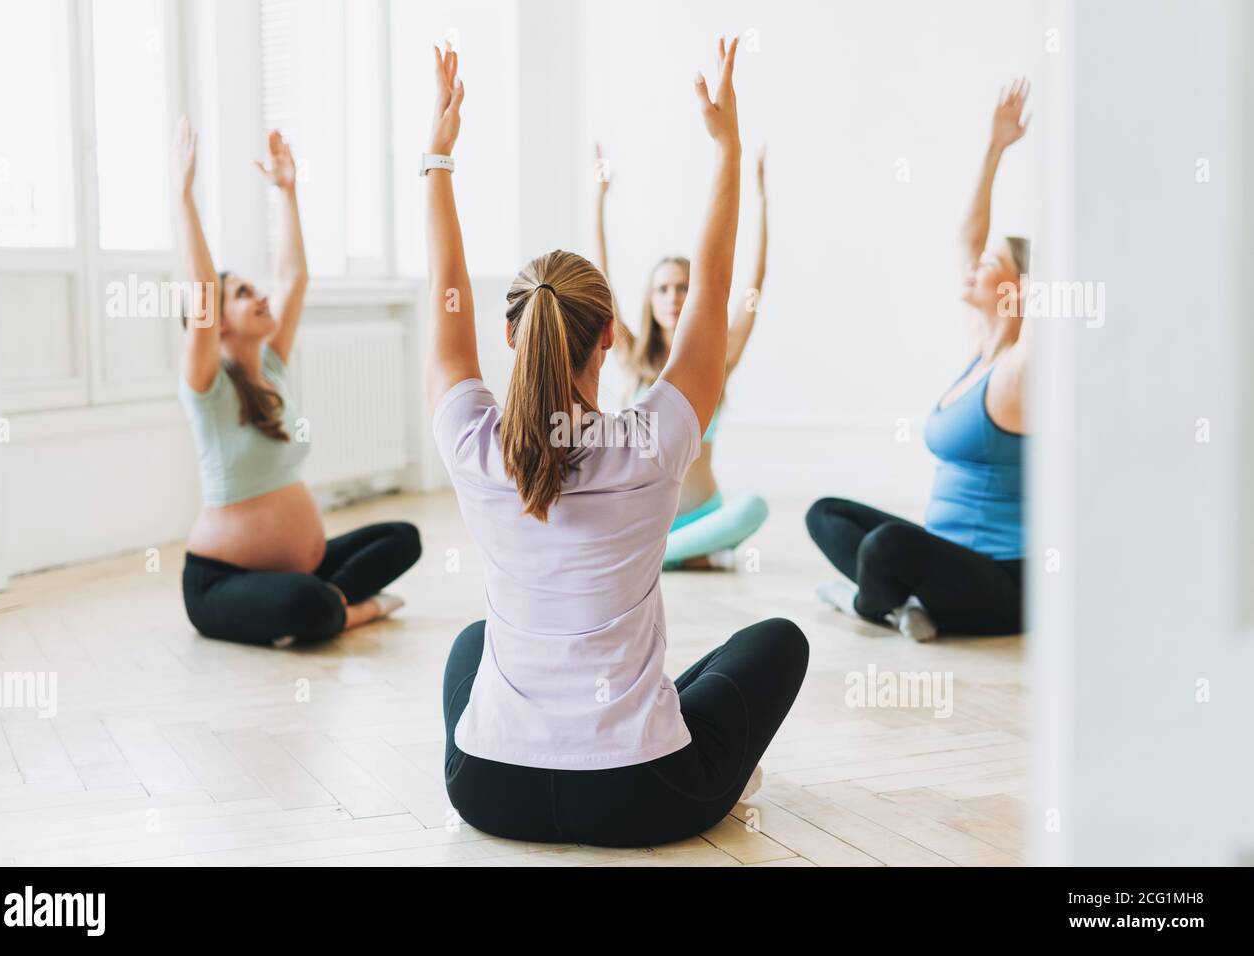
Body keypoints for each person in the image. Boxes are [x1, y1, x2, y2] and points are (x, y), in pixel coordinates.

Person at [425, 40, 808, 846]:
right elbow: (711, 289)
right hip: (640, 798)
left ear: (512, 333)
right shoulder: (656, 438)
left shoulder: (471, 442)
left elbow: (444, 308)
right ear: (609, 341)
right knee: (777, 642)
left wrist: (440, 158)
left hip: (489, 790)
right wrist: (728, 149)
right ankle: (709, 766)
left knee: (471, 644)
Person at [171, 119, 420, 648]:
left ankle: (326, 605)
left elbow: (293, 279)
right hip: (220, 583)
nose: (259, 296)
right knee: (301, 603)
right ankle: (348, 610)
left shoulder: (272, 368)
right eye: (240, 294)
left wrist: (287, 193)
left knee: (404, 538)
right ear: (216, 322)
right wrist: (184, 198)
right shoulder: (207, 388)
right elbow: (201, 296)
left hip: (304, 568)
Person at [806, 79, 1033, 642]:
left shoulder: (1024, 372)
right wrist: (995, 148)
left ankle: (872, 604)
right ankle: (902, 605)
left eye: (992, 262)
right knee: (825, 514)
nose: (974, 265)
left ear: (1025, 287)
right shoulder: (980, 353)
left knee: (887, 546)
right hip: (944, 558)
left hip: (1004, 587)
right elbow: (967, 236)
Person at [593, 141, 770, 569]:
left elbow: (752, 288)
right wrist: (599, 199)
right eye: (663, 288)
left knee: (753, 509)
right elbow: (603, 281)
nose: (674, 296)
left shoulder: (718, 360)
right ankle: (675, 556)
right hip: (645, 518)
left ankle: (657, 558)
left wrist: (761, 199)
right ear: (650, 299)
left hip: (705, 515)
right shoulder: (633, 356)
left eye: (684, 287)